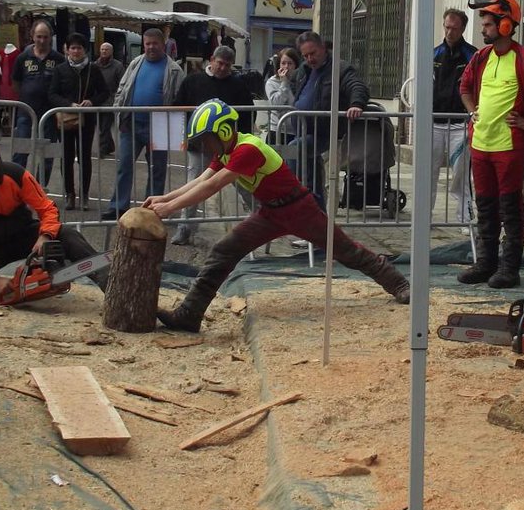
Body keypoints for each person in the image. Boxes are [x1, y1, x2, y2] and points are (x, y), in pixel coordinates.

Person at [147, 99, 410, 333]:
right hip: (270, 212)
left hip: (299, 209)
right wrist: (165, 198)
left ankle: (398, 283)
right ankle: (189, 314)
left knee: (345, 250)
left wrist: (169, 209)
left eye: (207, 138)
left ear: (224, 130)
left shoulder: (247, 149)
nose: (205, 145)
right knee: (224, 251)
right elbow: (201, 179)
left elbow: (212, 186)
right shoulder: (225, 152)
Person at [457, 0, 524, 288]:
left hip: (509, 146)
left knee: (510, 208)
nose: (482, 29)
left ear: (505, 25)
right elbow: (464, 87)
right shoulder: (481, 57)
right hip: (481, 145)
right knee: (486, 207)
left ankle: (509, 267)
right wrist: (472, 111)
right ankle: (485, 263)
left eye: (488, 24)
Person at [0, 132, 107, 303]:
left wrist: (45, 236)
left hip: (23, 232)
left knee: (68, 235)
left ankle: (107, 279)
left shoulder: (14, 174)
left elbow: (47, 208)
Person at [170, 45, 256, 245]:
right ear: (211, 60)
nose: (223, 68)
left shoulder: (238, 85)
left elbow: (248, 114)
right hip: (199, 146)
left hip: (230, 146)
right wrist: (182, 135)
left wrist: (244, 141)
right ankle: (185, 229)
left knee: (244, 183)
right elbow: (178, 106)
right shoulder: (193, 81)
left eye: (228, 65)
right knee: (195, 184)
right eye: (220, 63)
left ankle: (264, 217)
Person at [102, 28, 185, 220]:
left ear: (163, 44)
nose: (150, 47)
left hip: (160, 125)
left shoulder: (174, 70)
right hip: (131, 123)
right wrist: (119, 112)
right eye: (147, 44)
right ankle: (118, 206)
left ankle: (152, 208)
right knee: (124, 166)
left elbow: (180, 99)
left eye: (154, 43)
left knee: (157, 170)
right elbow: (122, 88)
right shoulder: (135, 63)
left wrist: (174, 129)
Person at [293, 31, 369, 209]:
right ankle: (314, 210)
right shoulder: (304, 70)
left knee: (296, 149)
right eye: (305, 55)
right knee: (306, 168)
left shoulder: (339, 68)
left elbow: (357, 85)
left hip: (327, 133)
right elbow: (296, 89)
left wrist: (356, 104)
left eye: (313, 53)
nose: (310, 59)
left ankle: (300, 196)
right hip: (306, 129)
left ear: (323, 48)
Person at [48, 33, 110, 210]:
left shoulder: (93, 69)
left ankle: (84, 195)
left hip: (87, 120)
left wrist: (92, 101)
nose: (75, 51)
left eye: (79, 48)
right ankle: (69, 194)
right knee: (66, 157)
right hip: (65, 120)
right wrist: (68, 104)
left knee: (84, 157)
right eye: (72, 47)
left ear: (85, 50)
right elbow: (52, 94)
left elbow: (104, 92)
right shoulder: (60, 70)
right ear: (67, 50)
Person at [432, 8, 478, 226]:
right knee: (428, 173)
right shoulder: (433, 54)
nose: (450, 32)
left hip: (461, 124)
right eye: (447, 27)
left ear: (463, 29)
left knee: (462, 174)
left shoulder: (473, 55)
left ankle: (465, 219)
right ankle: (424, 219)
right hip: (433, 123)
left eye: (455, 28)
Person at [11, 20, 65, 177]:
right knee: (21, 152)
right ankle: (16, 187)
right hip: (26, 112)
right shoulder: (22, 58)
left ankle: (39, 188)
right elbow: (16, 82)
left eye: (46, 37)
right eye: (39, 36)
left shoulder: (59, 59)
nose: (42, 41)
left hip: (50, 113)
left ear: (51, 38)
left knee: (47, 155)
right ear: (32, 36)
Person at [264, 47, 302, 144]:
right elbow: (276, 104)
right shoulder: (271, 82)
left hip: (296, 130)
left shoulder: (300, 81)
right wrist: (284, 83)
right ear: (278, 65)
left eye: (290, 64)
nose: (286, 67)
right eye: (283, 63)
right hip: (277, 130)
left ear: (296, 65)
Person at [94, 42, 125, 158]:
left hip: (111, 101)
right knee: (102, 127)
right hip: (97, 101)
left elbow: (122, 83)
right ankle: (110, 146)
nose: (104, 51)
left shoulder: (118, 66)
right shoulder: (95, 65)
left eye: (106, 49)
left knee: (105, 127)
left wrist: (117, 98)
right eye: (102, 49)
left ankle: (102, 151)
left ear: (111, 52)